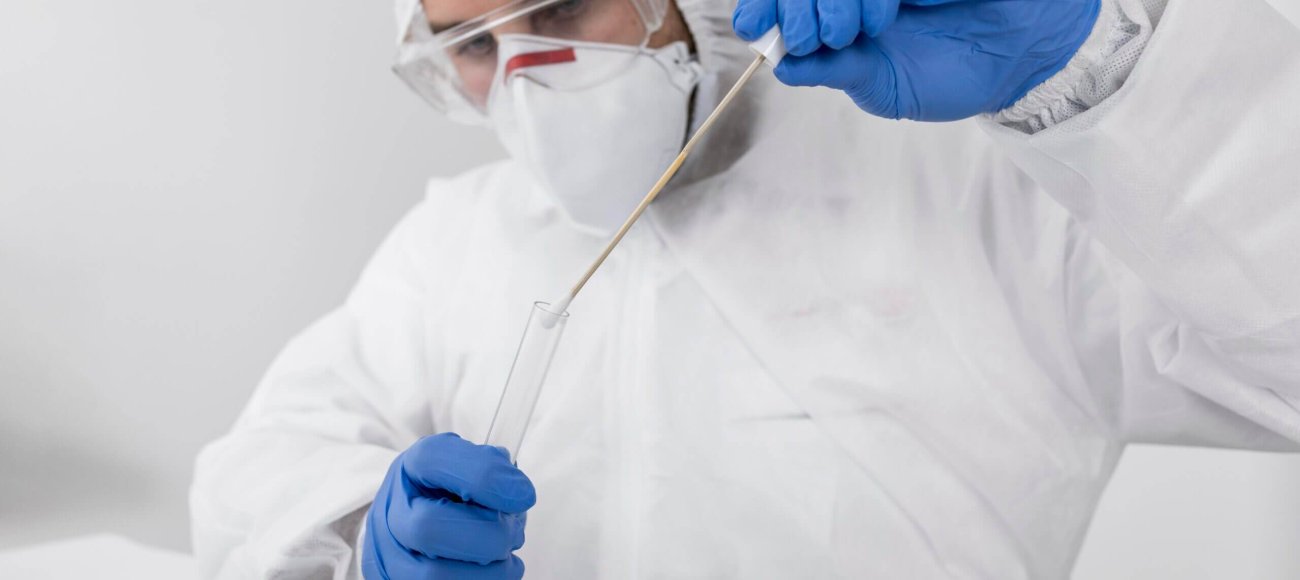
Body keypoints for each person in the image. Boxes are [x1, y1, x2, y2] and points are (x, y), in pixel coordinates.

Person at [190, 0, 1300, 577]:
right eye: (466, 45)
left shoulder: (981, 192)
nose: (522, 77)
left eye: (566, 7)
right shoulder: (455, 245)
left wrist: (1094, 65)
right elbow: (259, 469)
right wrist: (352, 533)